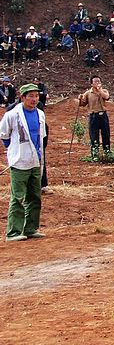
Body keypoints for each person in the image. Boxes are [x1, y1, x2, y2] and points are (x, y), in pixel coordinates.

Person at [1, 83, 47, 241]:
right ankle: (13, 232)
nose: (34, 99)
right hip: (19, 162)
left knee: (35, 197)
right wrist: (13, 151)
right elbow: (4, 135)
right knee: (18, 197)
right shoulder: (12, 115)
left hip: (35, 161)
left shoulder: (40, 114)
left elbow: (41, 136)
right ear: (22, 98)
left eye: (36, 96)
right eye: (31, 96)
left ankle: (30, 228)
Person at [79, 76, 111, 159]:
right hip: (93, 116)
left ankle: (107, 152)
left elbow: (106, 97)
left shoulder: (104, 91)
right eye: (95, 82)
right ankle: (95, 154)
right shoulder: (88, 93)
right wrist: (80, 99)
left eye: (98, 81)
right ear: (91, 84)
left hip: (103, 115)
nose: (97, 83)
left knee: (106, 134)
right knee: (94, 135)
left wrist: (99, 90)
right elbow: (82, 104)